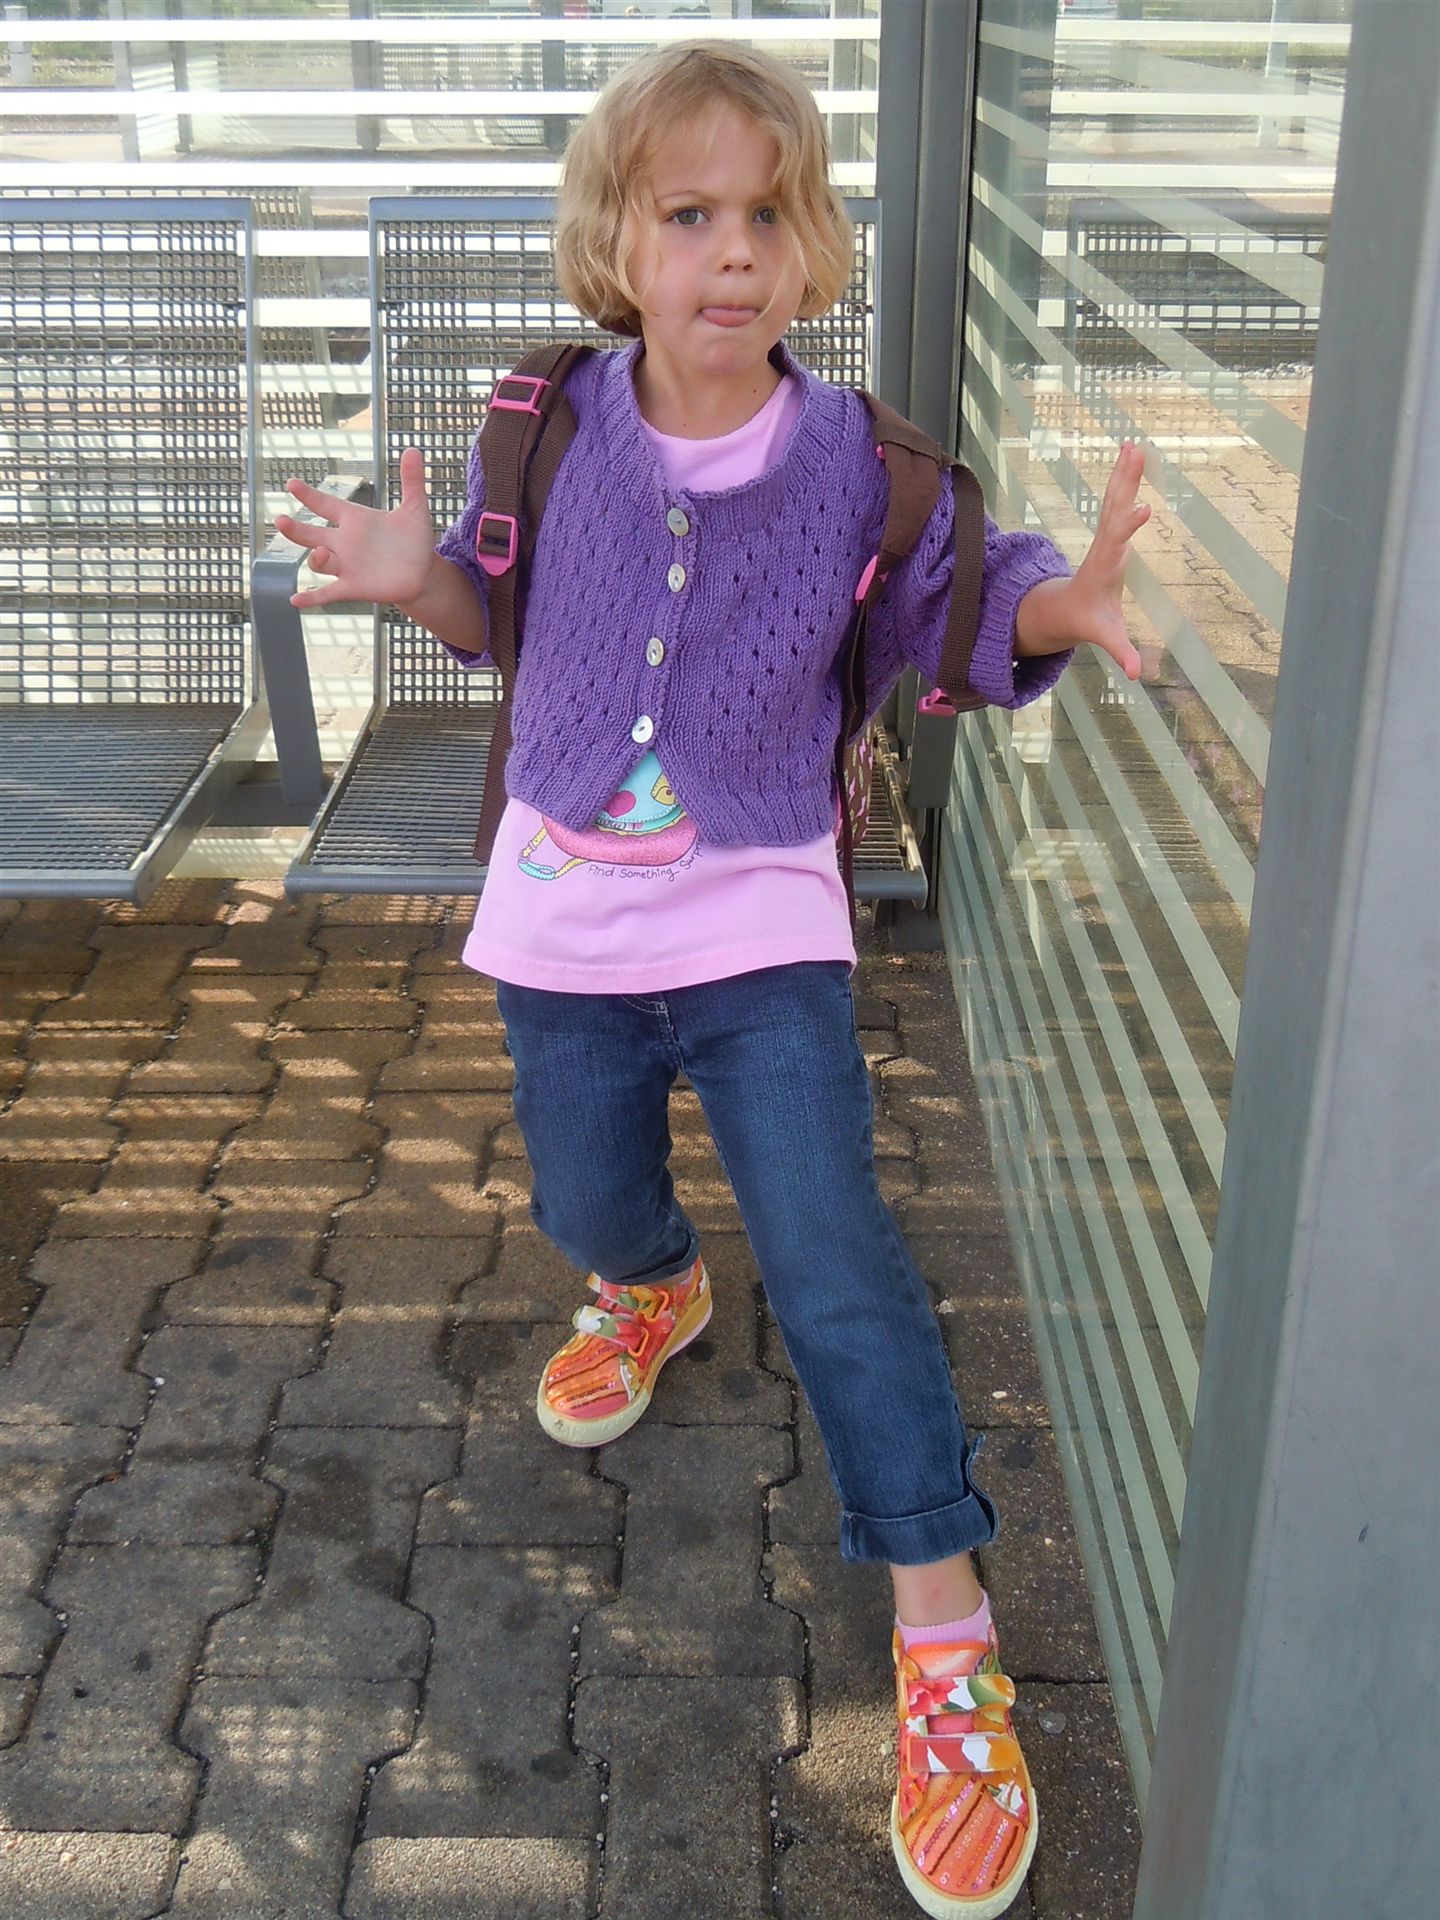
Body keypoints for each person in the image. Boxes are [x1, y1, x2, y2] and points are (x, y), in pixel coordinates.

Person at [275, 41, 1147, 1920]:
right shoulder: (549, 426)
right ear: (619, 241)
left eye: (769, 212)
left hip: (762, 923)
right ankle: (653, 1283)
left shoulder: (858, 468)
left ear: (812, 245)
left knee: (837, 1262)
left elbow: (958, 596)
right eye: (689, 214)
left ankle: (944, 1631)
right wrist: (417, 580)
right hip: (559, 930)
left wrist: (1055, 608)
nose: (732, 251)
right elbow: (494, 606)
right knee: (588, 1198)